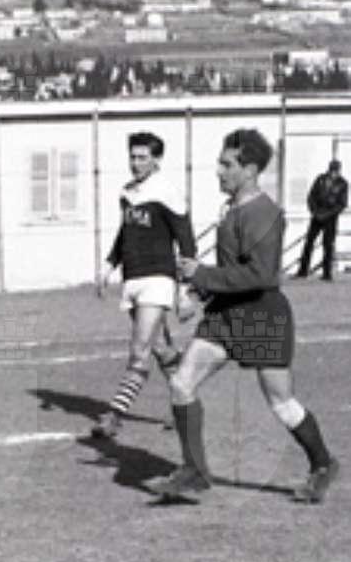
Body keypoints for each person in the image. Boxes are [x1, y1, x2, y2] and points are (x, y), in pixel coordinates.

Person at [157, 128, 337, 505]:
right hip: (225, 315)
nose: (219, 171)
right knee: (181, 384)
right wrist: (197, 294)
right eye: (220, 163)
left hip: (261, 316)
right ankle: (194, 471)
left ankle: (322, 463)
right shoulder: (233, 209)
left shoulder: (264, 214)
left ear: (250, 170)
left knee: (282, 403)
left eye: (227, 165)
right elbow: (231, 267)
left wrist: (201, 275)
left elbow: (261, 275)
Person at [87, 132, 194, 443]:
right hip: (132, 278)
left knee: (139, 351)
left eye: (142, 157)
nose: (135, 163)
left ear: (157, 160)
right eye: (132, 157)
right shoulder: (127, 192)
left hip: (158, 279)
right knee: (161, 348)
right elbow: (126, 233)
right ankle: (186, 402)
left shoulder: (168, 192)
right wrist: (108, 266)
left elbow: (186, 241)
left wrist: (184, 290)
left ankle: (114, 416)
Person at [297, 157, 347, 281]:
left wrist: (328, 214)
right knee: (309, 242)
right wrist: (314, 211)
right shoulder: (320, 179)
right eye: (332, 170)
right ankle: (303, 271)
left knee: (328, 245)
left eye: (335, 171)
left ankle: (327, 273)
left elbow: (342, 204)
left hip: (330, 218)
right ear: (328, 169)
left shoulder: (343, 183)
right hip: (317, 215)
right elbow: (311, 196)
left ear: (339, 171)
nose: (333, 173)